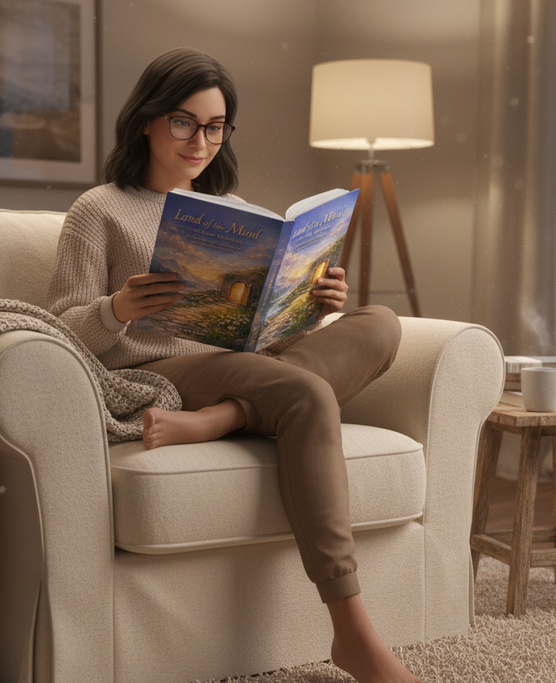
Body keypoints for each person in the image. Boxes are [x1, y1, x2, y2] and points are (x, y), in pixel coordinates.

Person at [47, 47, 419, 683]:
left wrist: (314, 305)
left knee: (380, 323)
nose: (201, 140)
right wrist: (117, 306)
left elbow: (267, 324)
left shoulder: (233, 211)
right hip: (165, 369)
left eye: (215, 126)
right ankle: (352, 630)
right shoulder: (100, 209)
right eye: (185, 122)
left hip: (244, 361)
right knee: (305, 394)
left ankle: (225, 419)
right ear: (146, 120)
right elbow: (57, 331)